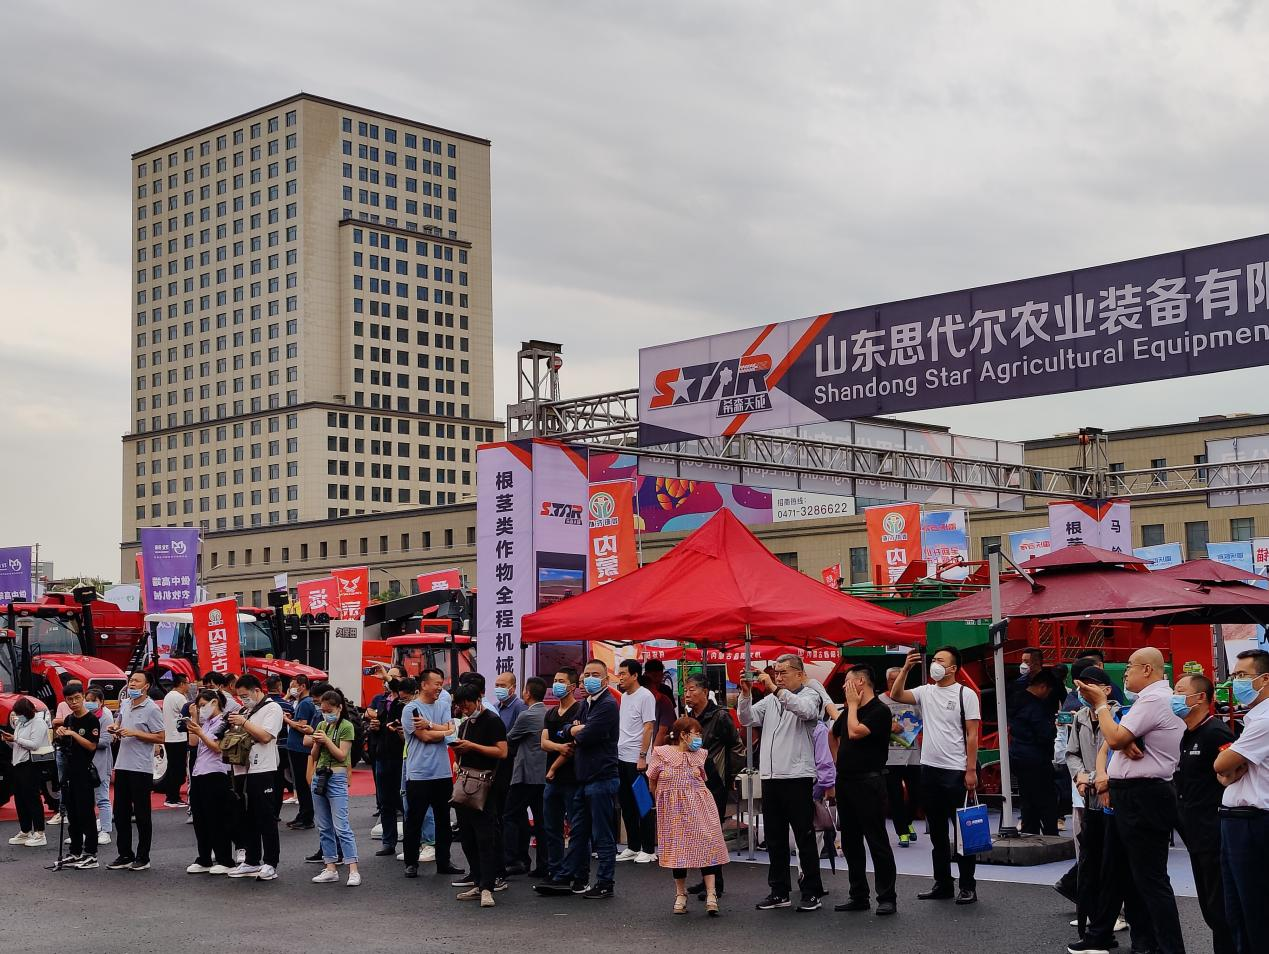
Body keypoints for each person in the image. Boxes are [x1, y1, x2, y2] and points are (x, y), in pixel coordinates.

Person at [1069, 647, 1185, 954]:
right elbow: (1115, 741)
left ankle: (1167, 947)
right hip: (1128, 793)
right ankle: (1138, 942)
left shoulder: (1154, 700)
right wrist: (1118, 740)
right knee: (1120, 872)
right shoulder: (1144, 702)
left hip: (1143, 794)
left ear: (1147, 669)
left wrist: (1101, 706)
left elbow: (1115, 738)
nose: (1125, 673)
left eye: (1130, 667)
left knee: (1149, 879)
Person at [889, 645, 980, 905]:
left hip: (956, 771)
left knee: (962, 832)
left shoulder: (965, 694)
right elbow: (897, 695)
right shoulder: (925, 691)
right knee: (937, 833)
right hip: (928, 769)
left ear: (953, 668)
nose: (935, 665)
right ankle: (942, 883)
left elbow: (972, 734)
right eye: (934, 660)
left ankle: (967, 886)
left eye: (940, 661)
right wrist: (906, 668)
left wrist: (970, 770)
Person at [738, 652, 826, 913]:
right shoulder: (770, 700)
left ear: (800, 674)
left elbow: (805, 711)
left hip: (797, 777)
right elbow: (747, 719)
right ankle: (779, 891)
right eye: (776, 673)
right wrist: (745, 694)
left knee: (804, 837)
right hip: (770, 776)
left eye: (783, 672)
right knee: (774, 838)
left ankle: (812, 891)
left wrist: (776, 690)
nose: (778, 677)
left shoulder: (811, 695)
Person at [542, 658, 621, 900]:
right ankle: (565, 876)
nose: (589, 679)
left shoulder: (607, 704)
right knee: (578, 832)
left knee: (602, 834)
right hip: (584, 778)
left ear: (606, 680)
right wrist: (573, 729)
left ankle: (605, 882)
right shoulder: (587, 704)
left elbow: (585, 735)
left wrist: (575, 729)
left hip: (602, 777)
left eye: (595, 675)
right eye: (586, 675)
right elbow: (567, 731)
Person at [1172, 673, 1235, 954]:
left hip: (1214, 833)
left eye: (1179, 691)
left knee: (1221, 908)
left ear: (1199, 698)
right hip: (1195, 833)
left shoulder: (1216, 733)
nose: (1174, 697)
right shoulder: (1188, 734)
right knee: (1210, 908)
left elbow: (1234, 772)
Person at [1214, 648, 1269, 954]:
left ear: (1265, 679)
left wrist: (1227, 768)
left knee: (1254, 910)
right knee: (1237, 910)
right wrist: (1228, 770)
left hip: (1253, 822)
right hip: (1237, 820)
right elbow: (1226, 772)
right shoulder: (1254, 719)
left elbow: (1221, 765)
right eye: (1234, 676)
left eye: (1243, 676)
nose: (1235, 682)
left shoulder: (1265, 721)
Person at [832, 665, 898, 916]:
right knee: (850, 842)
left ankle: (887, 896)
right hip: (845, 781)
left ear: (860, 682)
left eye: (847, 682)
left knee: (876, 840)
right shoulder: (850, 710)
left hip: (869, 782)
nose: (844, 687)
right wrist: (838, 762)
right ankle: (858, 894)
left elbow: (855, 732)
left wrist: (851, 706)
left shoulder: (879, 710)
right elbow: (833, 734)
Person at [648, 715, 729, 916]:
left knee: (706, 846)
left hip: (700, 808)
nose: (699, 737)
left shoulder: (701, 755)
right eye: (696, 733)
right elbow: (652, 780)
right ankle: (680, 894)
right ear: (683, 735)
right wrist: (661, 801)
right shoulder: (661, 753)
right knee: (678, 851)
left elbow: (708, 781)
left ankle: (711, 893)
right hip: (673, 811)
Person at [1064, 666, 1120, 940]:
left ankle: (1116, 915)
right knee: (1090, 859)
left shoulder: (1119, 716)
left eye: (1090, 685)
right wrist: (1080, 775)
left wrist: (1098, 776)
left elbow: (1120, 752)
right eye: (1080, 686)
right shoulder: (1080, 717)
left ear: (1106, 690)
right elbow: (1071, 753)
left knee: (1112, 862)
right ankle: (1092, 915)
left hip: (1113, 797)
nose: (1083, 691)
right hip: (1088, 796)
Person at [400, 669, 465, 878]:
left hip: (442, 773)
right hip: (419, 773)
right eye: (436, 683)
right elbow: (426, 737)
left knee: (443, 820)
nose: (439, 687)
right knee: (415, 819)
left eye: (441, 683)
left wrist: (433, 726)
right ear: (424, 684)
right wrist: (444, 730)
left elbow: (450, 732)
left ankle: (444, 861)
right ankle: (411, 862)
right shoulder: (411, 709)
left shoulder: (443, 705)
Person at [451, 682, 508, 908]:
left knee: (485, 838)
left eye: (467, 705)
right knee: (467, 838)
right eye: (461, 706)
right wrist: (459, 753)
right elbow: (462, 753)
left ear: (478, 699)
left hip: (487, 786)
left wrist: (472, 746)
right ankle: (477, 881)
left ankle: (487, 887)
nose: (464, 709)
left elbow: (502, 751)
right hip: (465, 784)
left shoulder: (493, 721)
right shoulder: (465, 724)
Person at [682, 671, 738, 899]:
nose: (687, 694)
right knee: (698, 832)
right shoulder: (688, 717)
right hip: (692, 781)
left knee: (712, 832)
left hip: (714, 781)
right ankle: (708, 879)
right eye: (685, 690)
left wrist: (730, 776)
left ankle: (716, 884)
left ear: (705, 692)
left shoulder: (720, 716)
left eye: (692, 689)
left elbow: (736, 746)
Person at [225, 673, 284, 881]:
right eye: (240, 696)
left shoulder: (272, 708)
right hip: (243, 769)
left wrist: (243, 722)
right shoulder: (245, 711)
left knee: (266, 817)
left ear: (257, 690)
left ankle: (270, 863)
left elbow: (266, 736)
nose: (243, 700)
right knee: (246, 817)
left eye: (245, 696)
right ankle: (251, 860)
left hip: (264, 769)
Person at [107, 670, 165, 871]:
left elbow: (161, 737)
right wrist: (114, 727)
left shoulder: (152, 709)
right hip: (122, 764)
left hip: (141, 767)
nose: (132, 684)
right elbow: (119, 720)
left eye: (137, 681)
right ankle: (125, 854)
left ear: (146, 686)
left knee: (141, 814)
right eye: (131, 680)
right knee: (120, 813)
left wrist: (136, 733)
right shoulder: (125, 703)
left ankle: (143, 856)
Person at [535, 667, 583, 890]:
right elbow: (543, 743)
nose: (556, 685)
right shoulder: (551, 713)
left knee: (576, 829)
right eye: (555, 680)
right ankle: (554, 870)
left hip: (572, 778)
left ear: (572, 686)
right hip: (552, 781)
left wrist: (553, 767)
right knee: (551, 828)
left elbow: (572, 747)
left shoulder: (579, 710)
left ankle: (577, 874)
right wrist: (558, 747)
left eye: (561, 681)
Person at [309, 690, 361, 886]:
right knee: (324, 826)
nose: (325, 714)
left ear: (339, 708)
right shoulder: (321, 725)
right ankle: (330, 866)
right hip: (319, 775)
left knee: (341, 826)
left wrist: (326, 741)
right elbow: (314, 755)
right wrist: (317, 743)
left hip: (337, 776)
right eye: (322, 711)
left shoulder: (347, 726)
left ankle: (353, 869)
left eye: (329, 711)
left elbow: (341, 755)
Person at [183, 687, 235, 874]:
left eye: (203, 705)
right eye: (199, 706)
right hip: (199, 773)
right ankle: (204, 858)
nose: (201, 709)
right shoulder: (204, 723)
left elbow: (218, 747)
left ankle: (225, 859)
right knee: (200, 818)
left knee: (217, 819)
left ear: (215, 702)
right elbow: (192, 743)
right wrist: (194, 721)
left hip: (216, 773)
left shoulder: (224, 722)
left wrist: (200, 732)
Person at [52, 684, 101, 869]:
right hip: (69, 771)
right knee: (72, 814)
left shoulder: (91, 720)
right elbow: (64, 742)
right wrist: (60, 733)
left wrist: (73, 733)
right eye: (69, 699)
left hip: (84, 772)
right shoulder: (69, 718)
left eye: (77, 698)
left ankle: (91, 854)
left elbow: (92, 746)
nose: (74, 702)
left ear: (82, 697)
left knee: (85, 813)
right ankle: (75, 851)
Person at [1009, 668, 1063, 835]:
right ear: (1043, 687)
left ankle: (1029, 832)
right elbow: (1045, 734)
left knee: (1027, 801)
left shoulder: (1015, 699)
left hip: (1018, 756)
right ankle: (1051, 836)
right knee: (1047, 801)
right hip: (1036, 759)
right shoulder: (1036, 707)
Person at [615, 659, 659, 863]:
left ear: (635, 675)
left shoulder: (646, 696)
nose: (620, 677)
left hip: (637, 759)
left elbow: (648, 727)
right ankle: (633, 846)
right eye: (620, 673)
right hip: (621, 756)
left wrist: (642, 756)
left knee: (643, 803)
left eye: (624, 673)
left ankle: (649, 849)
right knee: (626, 803)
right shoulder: (624, 697)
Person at [503, 676, 548, 876]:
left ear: (527, 693)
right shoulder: (547, 712)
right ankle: (543, 864)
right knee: (541, 820)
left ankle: (513, 860)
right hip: (542, 774)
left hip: (525, 774)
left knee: (510, 815)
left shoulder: (527, 715)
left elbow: (509, 739)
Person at [879, 666, 922, 846]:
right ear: (887, 681)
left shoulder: (913, 699)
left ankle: (908, 821)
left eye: (899, 679)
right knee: (895, 796)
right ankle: (902, 832)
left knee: (916, 795)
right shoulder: (879, 701)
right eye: (892, 680)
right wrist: (887, 727)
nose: (895, 683)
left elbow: (923, 720)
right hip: (890, 757)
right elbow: (871, 725)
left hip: (913, 756)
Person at [366, 674, 406, 855]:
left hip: (400, 756)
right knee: (385, 801)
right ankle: (388, 842)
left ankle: (411, 843)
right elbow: (378, 725)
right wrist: (375, 727)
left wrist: (388, 676)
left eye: (391, 677)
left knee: (403, 801)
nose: (386, 681)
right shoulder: (381, 700)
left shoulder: (404, 703)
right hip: (381, 754)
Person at [3, 697, 50, 848]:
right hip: (17, 763)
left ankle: (40, 832)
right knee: (20, 798)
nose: (18, 716)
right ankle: (25, 830)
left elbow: (35, 744)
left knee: (33, 798)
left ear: (28, 711)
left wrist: (16, 739)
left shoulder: (38, 722)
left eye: (20, 713)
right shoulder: (20, 723)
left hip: (31, 764)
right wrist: (9, 740)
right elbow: (17, 745)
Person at [282, 674, 317, 829]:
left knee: (302, 784)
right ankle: (302, 814)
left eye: (294, 685)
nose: (291, 689)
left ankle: (306, 817)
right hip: (297, 747)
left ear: (303, 686)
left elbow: (302, 726)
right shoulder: (303, 703)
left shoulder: (305, 703)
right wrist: (292, 718)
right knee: (300, 783)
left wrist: (287, 720)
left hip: (300, 749)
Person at [84, 687, 115, 848]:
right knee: (87, 800)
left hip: (100, 764)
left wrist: (85, 740)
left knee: (102, 798)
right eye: (87, 700)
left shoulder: (105, 716)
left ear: (101, 702)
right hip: (85, 764)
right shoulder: (84, 716)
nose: (89, 703)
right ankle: (88, 830)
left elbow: (106, 741)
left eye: (93, 700)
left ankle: (106, 831)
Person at [161, 672, 190, 808]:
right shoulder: (179, 697)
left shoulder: (168, 696)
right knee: (178, 769)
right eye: (188, 684)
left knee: (173, 767)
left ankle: (171, 796)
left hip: (170, 737)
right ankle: (173, 797)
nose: (189, 686)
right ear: (182, 684)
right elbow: (188, 713)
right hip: (178, 737)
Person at [265, 675, 293, 818]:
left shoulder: (262, 704)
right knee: (279, 779)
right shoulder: (286, 705)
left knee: (267, 779)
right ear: (279, 686)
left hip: (265, 746)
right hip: (282, 745)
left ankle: (268, 811)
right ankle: (276, 812)